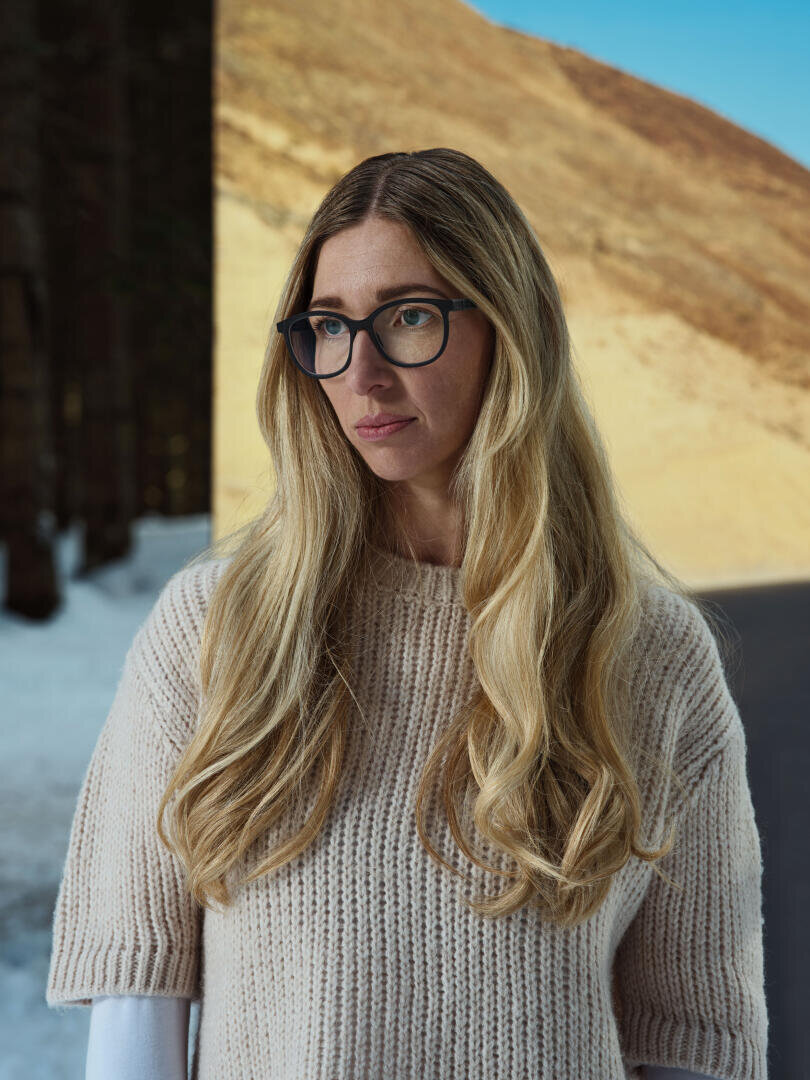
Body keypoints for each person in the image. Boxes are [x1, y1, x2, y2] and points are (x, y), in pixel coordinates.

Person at [46, 148, 768, 1080]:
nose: (362, 373)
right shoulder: (216, 632)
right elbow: (135, 1018)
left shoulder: (649, 657)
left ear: (510, 328)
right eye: (328, 327)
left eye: (410, 316)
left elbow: (691, 1042)